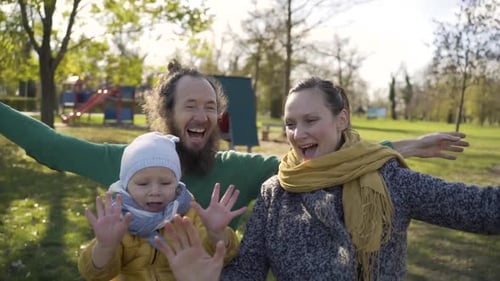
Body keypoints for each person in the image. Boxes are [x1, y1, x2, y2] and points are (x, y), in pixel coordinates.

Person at [0, 60, 469, 229]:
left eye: (209, 106)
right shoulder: (127, 163)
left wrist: (407, 145)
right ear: (167, 114)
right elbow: (50, 145)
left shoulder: (242, 171)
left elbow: (325, 157)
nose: (201, 115)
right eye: (190, 106)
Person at [154, 78, 500, 281]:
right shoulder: (275, 194)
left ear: (341, 120)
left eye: (310, 120)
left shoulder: (388, 180)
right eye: (290, 123)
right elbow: (247, 273)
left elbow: (485, 209)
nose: (298, 133)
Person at [78, 132, 245, 280]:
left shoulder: (188, 215)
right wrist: (105, 247)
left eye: (165, 183)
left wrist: (216, 233)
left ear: (177, 183)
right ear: (126, 186)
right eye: (143, 184)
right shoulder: (118, 221)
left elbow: (222, 258)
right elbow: (95, 274)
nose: (155, 191)